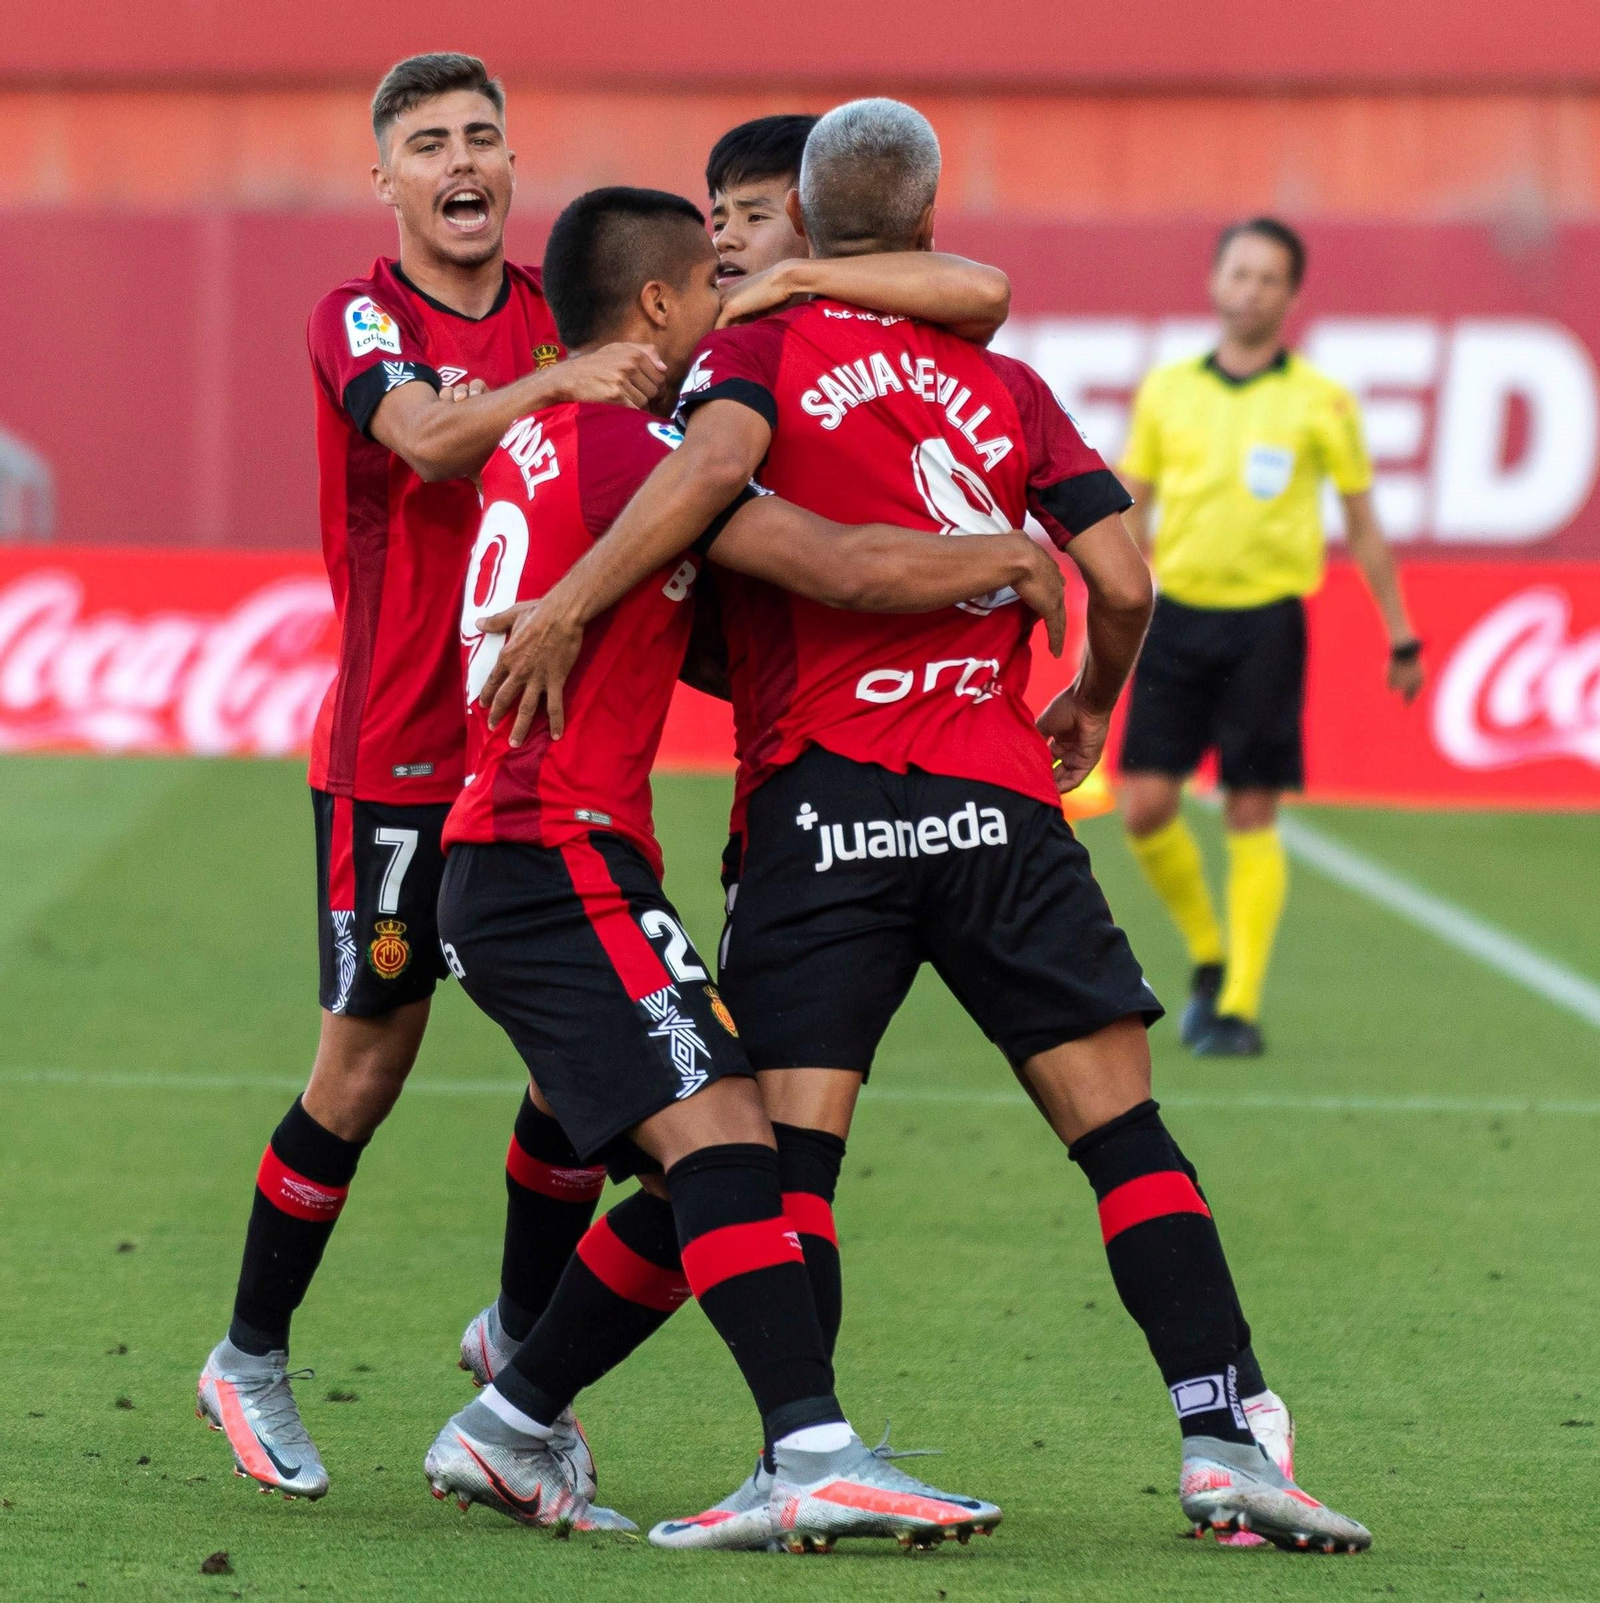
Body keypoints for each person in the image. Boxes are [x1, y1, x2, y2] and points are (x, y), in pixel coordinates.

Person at [480, 99, 1373, 1558]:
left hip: (821, 799)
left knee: (772, 1163)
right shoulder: (1007, 384)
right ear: (929, 214)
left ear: (805, 222)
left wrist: (578, 605)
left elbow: (711, 483)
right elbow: (1128, 577)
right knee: (1124, 1131)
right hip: (997, 799)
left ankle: (710, 1436)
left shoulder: (754, 352)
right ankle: (1224, 1433)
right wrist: (1085, 694)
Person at [421, 185, 1065, 1545]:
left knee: (692, 1164)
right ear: (657, 306)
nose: (726, 318)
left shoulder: (550, 446)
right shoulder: (631, 455)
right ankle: (809, 1449)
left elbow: (700, 637)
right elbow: (842, 561)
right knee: (729, 1137)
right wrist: (1008, 551)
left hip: (553, 852)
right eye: (707, 292)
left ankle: (511, 1419)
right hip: (550, 855)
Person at [195, 53, 668, 1502]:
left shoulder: (553, 308)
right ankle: (251, 1355)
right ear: (386, 178)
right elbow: (421, 434)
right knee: (369, 1059)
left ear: (514, 167)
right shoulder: (361, 318)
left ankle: (521, 1354)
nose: (462, 162)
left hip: (535, 757)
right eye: (430, 143)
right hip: (395, 760)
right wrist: (566, 377)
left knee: (575, 1071)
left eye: (485, 137)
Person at [1117, 217, 1424, 1057]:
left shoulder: (1321, 402)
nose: (1250, 290)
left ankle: (1239, 1007)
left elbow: (1361, 523)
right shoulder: (1167, 391)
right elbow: (1131, 509)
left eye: (1268, 278)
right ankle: (1209, 953)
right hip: (1176, 616)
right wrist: (1114, 611)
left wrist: (1400, 630)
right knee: (1144, 806)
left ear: (1292, 296)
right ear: (1215, 281)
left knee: (1252, 807)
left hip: (1266, 626)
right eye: (1239, 273)